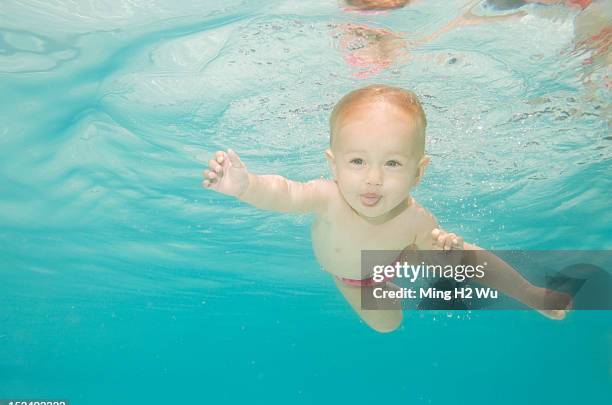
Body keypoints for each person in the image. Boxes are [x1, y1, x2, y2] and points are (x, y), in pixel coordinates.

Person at [202, 84, 572, 333]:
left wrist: (446, 255)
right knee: (388, 325)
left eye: (392, 164)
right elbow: (283, 193)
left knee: (455, 256)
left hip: (398, 249)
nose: (373, 179)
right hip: (354, 278)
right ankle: (398, 269)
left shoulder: (416, 217)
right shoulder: (326, 195)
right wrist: (246, 186)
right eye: (358, 162)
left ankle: (529, 293)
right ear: (334, 165)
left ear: (418, 171)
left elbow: (459, 261)